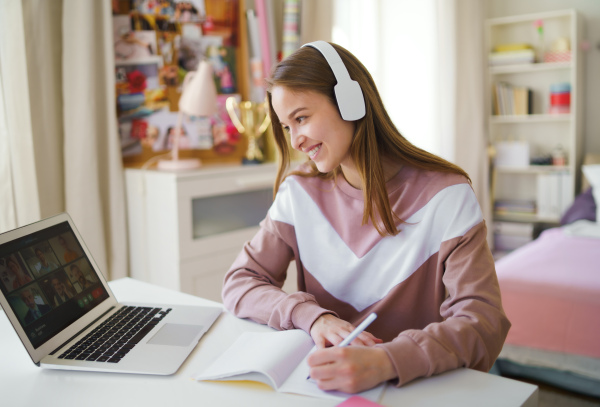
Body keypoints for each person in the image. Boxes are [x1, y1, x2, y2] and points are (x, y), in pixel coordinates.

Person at [221, 41, 511, 394]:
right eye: (286, 127)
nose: (295, 140)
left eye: (301, 118)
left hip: (415, 388)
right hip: (324, 388)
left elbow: (482, 323)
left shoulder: (446, 197)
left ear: (351, 102)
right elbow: (239, 283)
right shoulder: (298, 193)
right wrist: (313, 317)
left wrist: (387, 360)